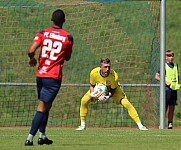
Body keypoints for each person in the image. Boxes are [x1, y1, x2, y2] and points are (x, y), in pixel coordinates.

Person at [25, 9, 73, 146]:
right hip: (53, 78)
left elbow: (30, 50)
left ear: (51, 19)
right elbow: (68, 57)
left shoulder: (43, 33)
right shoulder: (68, 37)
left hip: (40, 75)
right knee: (42, 107)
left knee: (46, 106)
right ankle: (29, 139)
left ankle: (42, 136)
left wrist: (32, 59)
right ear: (63, 21)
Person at [76, 58, 148, 131]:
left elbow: (112, 90)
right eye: (105, 67)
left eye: (109, 67)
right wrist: (93, 94)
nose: (107, 69)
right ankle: (83, 125)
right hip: (98, 91)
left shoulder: (114, 76)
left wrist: (106, 96)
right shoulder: (93, 73)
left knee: (126, 103)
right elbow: (92, 85)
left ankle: (140, 125)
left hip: (114, 90)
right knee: (84, 100)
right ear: (100, 67)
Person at [155, 50, 180, 129]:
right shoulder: (164, 66)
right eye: (169, 56)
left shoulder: (176, 65)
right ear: (165, 57)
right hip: (166, 90)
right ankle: (161, 123)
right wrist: (165, 81)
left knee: (172, 107)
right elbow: (157, 76)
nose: (171, 57)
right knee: (165, 107)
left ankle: (170, 123)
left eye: (172, 56)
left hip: (174, 89)